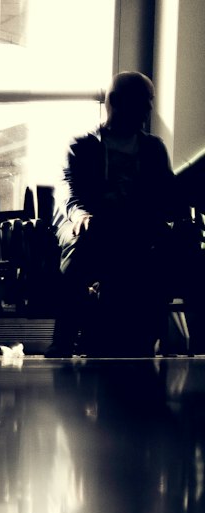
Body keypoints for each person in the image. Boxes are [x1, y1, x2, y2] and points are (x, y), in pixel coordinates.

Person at [51, 71, 180, 356]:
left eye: (150, 102)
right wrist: (81, 217)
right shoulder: (83, 147)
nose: (148, 109)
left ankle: (151, 336)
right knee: (82, 248)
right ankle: (63, 338)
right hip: (94, 225)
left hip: (134, 226)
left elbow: (167, 195)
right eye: (144, 102)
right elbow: (70, 194)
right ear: (118, 103)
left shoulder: (153, 148)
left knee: (165, 246)